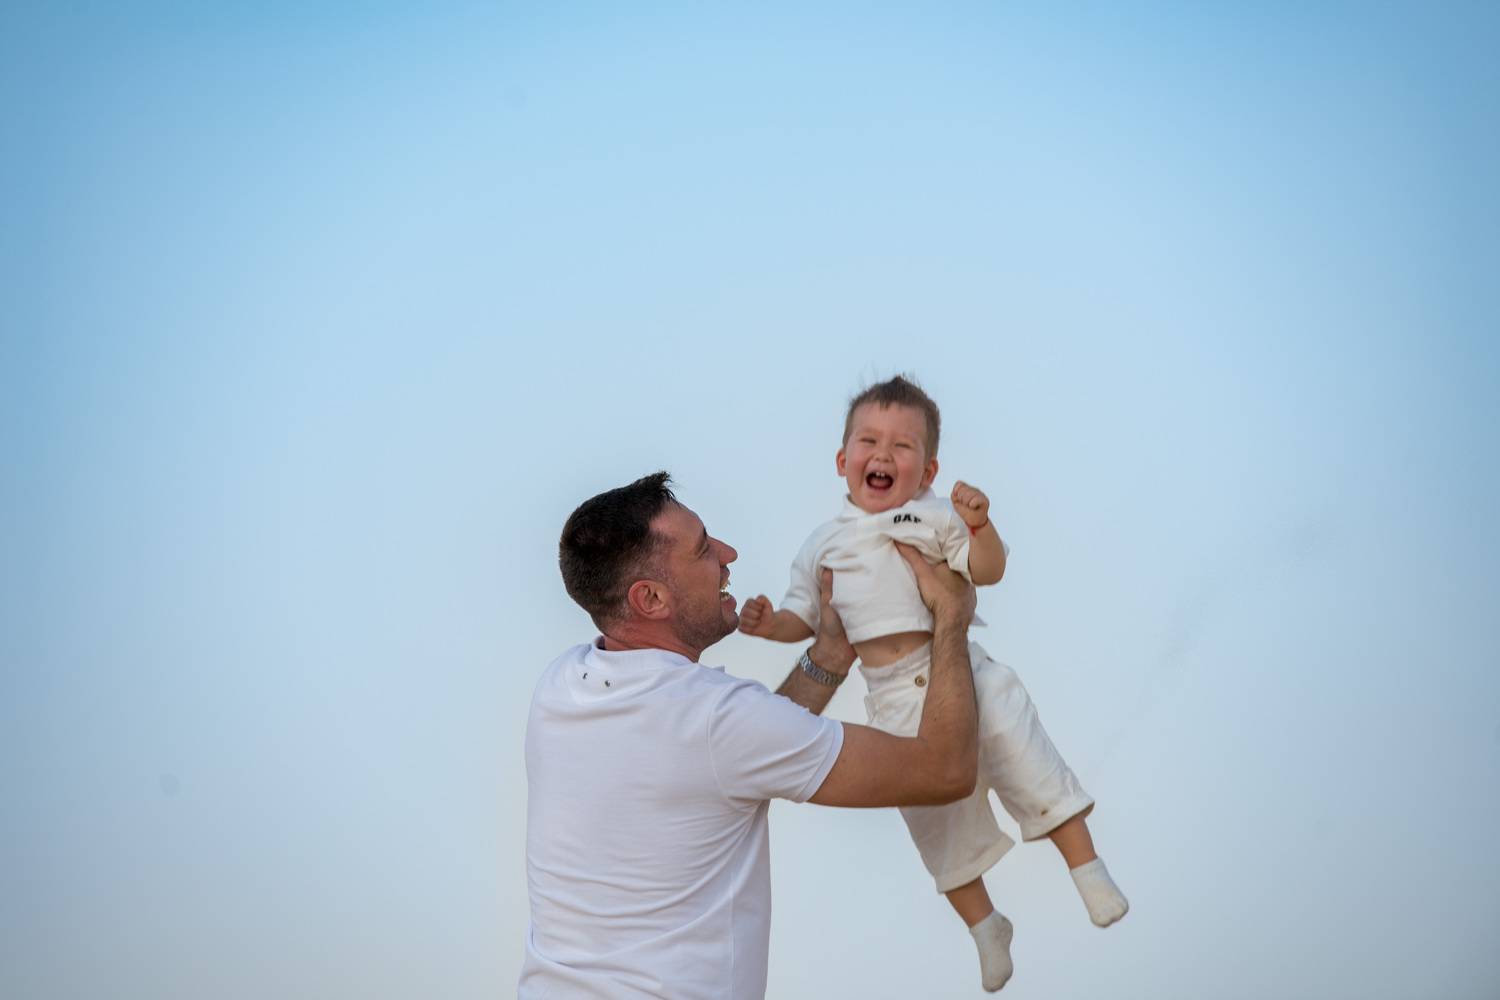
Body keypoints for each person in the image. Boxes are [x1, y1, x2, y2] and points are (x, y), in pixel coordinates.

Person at [520, 471, 981, 1000]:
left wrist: (830, 654)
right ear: (650, 598)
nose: (728, 553)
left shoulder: (559, 687)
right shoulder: (717, 721)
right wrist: (951, 617)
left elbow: (738, 750)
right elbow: (945, 771)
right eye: (702, 550)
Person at [739, 375, 1129, 993]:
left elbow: (987, 572)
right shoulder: (823, 544)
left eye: (902, 446)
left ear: (928, 470)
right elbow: (806, 617)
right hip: (893, 697)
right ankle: (986, 927)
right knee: (935, 821)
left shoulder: (935, 514)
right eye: (869, 441)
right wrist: (768, 626)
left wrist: (980, 526)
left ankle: (1089, 870)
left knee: (1027, 760)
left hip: (962, 670)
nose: (883, 455)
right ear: (842, 461)